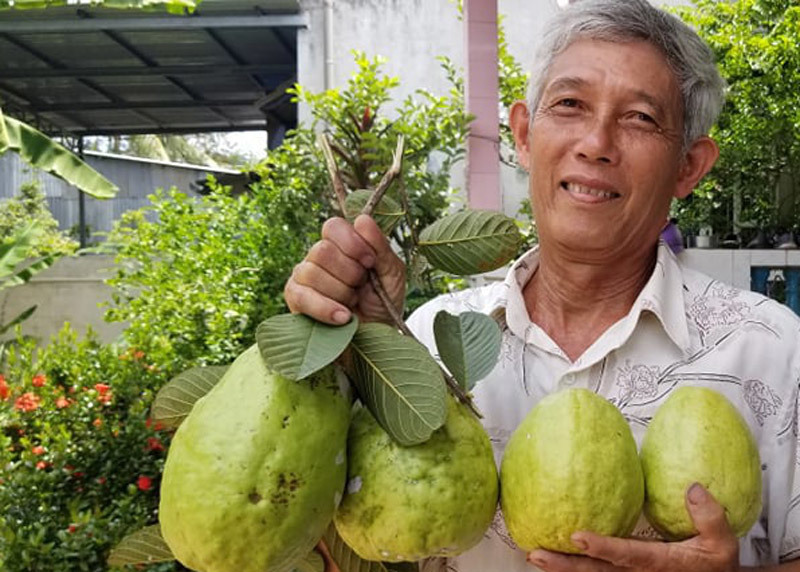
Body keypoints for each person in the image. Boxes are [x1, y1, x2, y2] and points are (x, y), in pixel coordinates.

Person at [284, 0, 800, 570]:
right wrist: (358, 351)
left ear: (689, 166)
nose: (596, 142)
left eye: (640, 118)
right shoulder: (428, 344)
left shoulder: (775, 352)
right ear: (524, 136)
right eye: (570, 104)